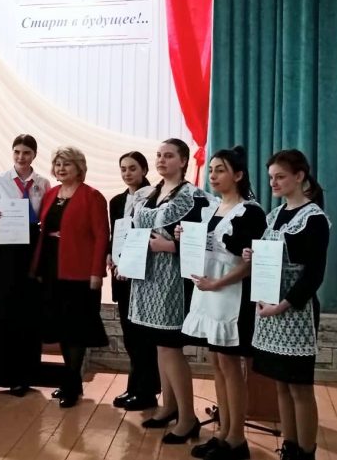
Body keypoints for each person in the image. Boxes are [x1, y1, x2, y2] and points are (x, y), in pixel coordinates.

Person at [120, 138, 216, 444]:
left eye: (169, 155)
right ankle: (169, 406)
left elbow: (202, 243)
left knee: (171, 347)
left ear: (184, 161)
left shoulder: (195, 197)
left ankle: (188, 417)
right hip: (147, 278)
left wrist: (170, 246)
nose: (162, 160)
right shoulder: (150, 193)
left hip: (173, 280)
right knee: (159, 347)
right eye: (159, 155)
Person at [179, 147, 266, 460]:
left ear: (238, 175)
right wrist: (182, 235)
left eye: (220, 170)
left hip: (232, 294)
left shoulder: (250, 212)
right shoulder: (210, 208)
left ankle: (237, 439)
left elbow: (252, 263)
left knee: (231, 366)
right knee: (216, 362)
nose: (213, 176)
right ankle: (223, 432)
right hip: (208, 290)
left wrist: (218, 283)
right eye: (211, 170)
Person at [242, 150, 329, 460]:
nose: (273, 183)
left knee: (300, 387)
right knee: (280, 384)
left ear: (299, 176)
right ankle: (289, 446)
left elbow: (314, 275)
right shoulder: (274, 215)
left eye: (280, 176)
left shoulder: (314, 218)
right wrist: (252, 255)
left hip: (295, 310)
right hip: (270, 308)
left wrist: (281, 305)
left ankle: (306, 452)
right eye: (271, 178)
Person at [32, 146, 109, 408]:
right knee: (62, 328)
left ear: (79, 168)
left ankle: (71, 383)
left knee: (76, 329)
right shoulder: (51, 194)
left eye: (67, 164)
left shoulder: (92, 196)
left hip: (79, 271)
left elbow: (102, 236)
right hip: (52, 268)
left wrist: (97, 272)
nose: (61, 169)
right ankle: (72, 382)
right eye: (57, 164)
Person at [0, 134, 51, 396]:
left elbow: (46, 218)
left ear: (34, 155)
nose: (21, 157)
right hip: (6, 249)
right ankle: (5, 374)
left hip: (32, 248)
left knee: (29, 311)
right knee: (5, 309)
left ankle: (27, 375)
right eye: (17, 152)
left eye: (26, 152)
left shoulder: (43, 183)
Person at [108, 151, 160, 411]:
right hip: (121, 275)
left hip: (144, 275)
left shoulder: (155, 198)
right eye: (123, 169)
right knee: (130, 336)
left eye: (132, 168)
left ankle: (147, 391)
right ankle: (134, 386)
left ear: (144, 170)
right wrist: (110, 255)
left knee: (144, 338)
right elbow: (115, 234)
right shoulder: (117, 201)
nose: (127, 173)